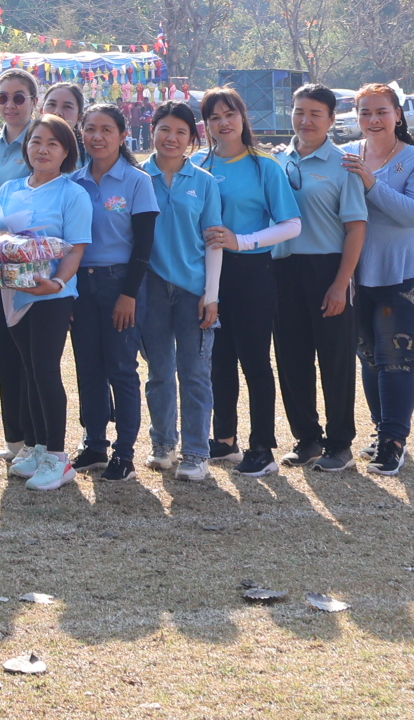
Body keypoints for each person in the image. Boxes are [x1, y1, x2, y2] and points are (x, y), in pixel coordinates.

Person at [194, 86, 302, 476]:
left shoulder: (264, 166)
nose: (223, 123)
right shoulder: (198, 164)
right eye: (214, 117)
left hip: (252, 274)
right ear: (205, 125)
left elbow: (291, 224)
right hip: (207, 275)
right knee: (217, 360)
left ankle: (262, 448)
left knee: (254, 361)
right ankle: (224, 439)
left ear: (243, 117)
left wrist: (242, 241)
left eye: (230, 114)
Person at [343, 83, 414, 477]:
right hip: (358, 274)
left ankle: (394, 442)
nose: (373, 119)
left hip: (404, 275)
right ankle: (382, 431)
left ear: (398, 115)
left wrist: (371, 183)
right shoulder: (346, 155)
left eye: (381, 111)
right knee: (369, 357)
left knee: (396, 359)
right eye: (365, 112)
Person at [0, 113, 93, 491]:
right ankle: (37, 448)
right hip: (14, 293)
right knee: (30, 371)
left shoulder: (73, 193)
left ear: (67, 151)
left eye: (53, 143)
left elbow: (76, 248)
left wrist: (56, 282)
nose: (43, 149)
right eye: (36, 141)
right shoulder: (10, 188)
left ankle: (57, 457)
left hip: (52, 295)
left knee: (47, 371)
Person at [273, 85, 369, 472]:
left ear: (331, 119)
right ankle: (307, 439)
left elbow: (356, 227)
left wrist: (341, 283)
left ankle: (340, 444)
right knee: (291, 358)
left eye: (315, 113)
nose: (306, 120)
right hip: (283, 270)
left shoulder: (344, 165)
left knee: (335, 359)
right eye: (299, 111)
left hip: (327, 269)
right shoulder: (277, 162)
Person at [70, 104, 159, 482]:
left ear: (123, 136)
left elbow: (144, 244)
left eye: (107, 129)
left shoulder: (137, 181)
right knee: (88, 367)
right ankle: (94, 445)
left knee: (121, 368)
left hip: (120, 282)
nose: (97, 136)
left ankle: (124, 453)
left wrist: (129, 294)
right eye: (90, 129)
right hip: (80, 284)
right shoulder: (73, 181)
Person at [139, 102, 224, 481]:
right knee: (158, 372)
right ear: (152, 131)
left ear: (192, 138)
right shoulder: (139, 177)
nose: (171, 138)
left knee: (194, 374)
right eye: (164, 129)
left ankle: (196, 453)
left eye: (181, 132)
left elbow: (214, 240)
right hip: (152, 288)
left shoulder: (204, 181)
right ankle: (163, 445)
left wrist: (212, 293)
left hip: (194, 290)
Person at [0, 68, 43, 468]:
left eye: (19, 97)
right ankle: (15, 438)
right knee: (1, 353)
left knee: (28, 358)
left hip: (28, 264)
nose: (11, 105)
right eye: (3, 97)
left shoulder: (42, 139)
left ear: (34, 101)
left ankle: (35, 439)